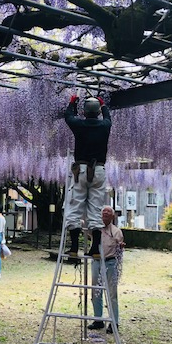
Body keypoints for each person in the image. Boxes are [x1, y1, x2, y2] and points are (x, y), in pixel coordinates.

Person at [64, 95, 112, 257]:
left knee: (75, 205)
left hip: (81, 170)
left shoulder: (79, 125)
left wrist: (72, 103)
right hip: (98, 170)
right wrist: (103, 105)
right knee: (96, 208)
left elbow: (68, 117)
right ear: (98, 112)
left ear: (84, 112)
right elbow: (108, 117)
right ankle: (95, 249)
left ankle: (73, 248)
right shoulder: (105, 126)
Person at [87, 206, 125, 334]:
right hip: (96, 261)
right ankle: (98, 319)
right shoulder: (95, 229)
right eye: (104, 212)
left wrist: (121, 246)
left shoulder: (116, 231)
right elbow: (84, 227)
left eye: (109, 212)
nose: (106, 213)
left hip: (110, 262)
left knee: (111, 293)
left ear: (113, 216)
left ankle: (114, 322)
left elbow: (120, 246)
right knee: (95, 291)